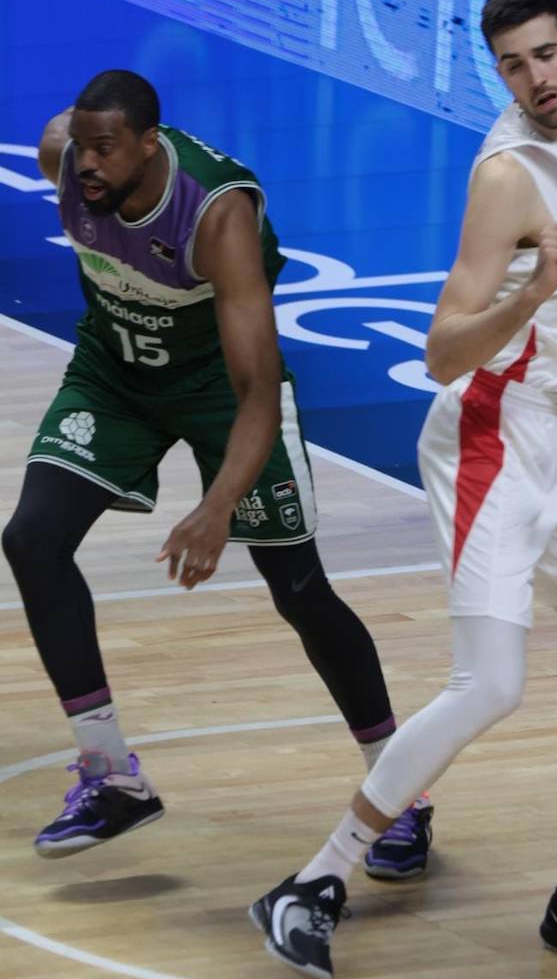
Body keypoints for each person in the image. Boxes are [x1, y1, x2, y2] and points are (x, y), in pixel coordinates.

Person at [250, 0, 557, 979]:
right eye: (513, 64)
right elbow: (441, 350)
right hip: (494, 436)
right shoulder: (507, 178)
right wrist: (537, 289)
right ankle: (315, 880)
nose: (534, 78)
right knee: (493, 685)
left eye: (545, 55)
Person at [2, 70, 415, 868]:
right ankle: (112, 775)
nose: (84, 165)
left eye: (104, 150)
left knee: (299, 590)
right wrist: (79, 142)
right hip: (115, 373)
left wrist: (218, 504)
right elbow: (70, 136)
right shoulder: (67, 156)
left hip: (219, 392)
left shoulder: (215, 215)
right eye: (79, 147)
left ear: (149, 147)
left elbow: (258, 389)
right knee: (31, 539)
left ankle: (398, 794)